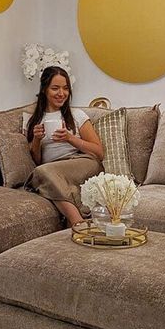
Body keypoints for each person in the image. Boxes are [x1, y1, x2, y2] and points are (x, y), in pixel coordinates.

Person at [24, 66, 104, 226]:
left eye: (65, 88)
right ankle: (79, 222)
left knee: (41, 174)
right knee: (42, 172)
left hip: (82, 163)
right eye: (55, 88)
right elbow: (37, 160)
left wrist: (70, 138)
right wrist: (37, 140)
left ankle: (76, 222)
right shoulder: (33, 121)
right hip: (53, 170)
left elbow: (99, 153)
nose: (62, 93)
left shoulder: (77, 115)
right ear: (45, 90)